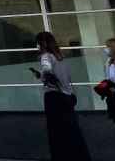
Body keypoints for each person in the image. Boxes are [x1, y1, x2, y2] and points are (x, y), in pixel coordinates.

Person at [32, 32, 90, 161]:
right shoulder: (60, 57)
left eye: (38, 43)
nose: (37, 46)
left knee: (57, 134)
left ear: (42, 43)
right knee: (71, 131)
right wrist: (41, 75)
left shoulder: (45, 56)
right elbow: (65, 78)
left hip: (53, 98)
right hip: (67, 96)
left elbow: (47, 70)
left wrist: (45, 76)